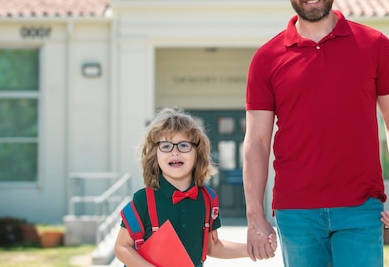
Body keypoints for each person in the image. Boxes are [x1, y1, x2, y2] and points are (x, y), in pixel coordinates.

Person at [243, 0, 389, 267]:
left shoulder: (375, 45)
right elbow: (258, 142)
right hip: (297, 212)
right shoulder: (266, 59)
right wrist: (255, 215)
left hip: (361, 208)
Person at [115, 107, 276, 267]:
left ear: (197, 153)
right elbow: (122, 247)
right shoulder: (143, 199)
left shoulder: (208, 199)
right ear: (154, 155)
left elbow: (213, 247)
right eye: (166, 146)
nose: (175, 152)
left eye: (184, 145)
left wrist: (255, 249)